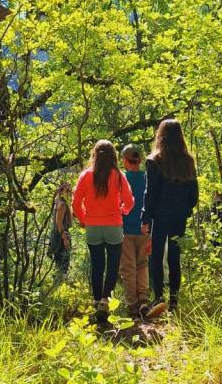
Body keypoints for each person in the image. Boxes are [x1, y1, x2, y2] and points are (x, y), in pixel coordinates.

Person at [141, 119, 199, 318]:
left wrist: (145, 217)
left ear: (160, 135)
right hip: (179, 216)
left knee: (156, 256)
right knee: (175, 257)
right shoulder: (187, 161)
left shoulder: (154, 161)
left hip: (159, 215)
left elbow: (150, 193)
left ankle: (158, 298)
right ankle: (174, 300)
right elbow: (194, 194)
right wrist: (186, 210)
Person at [72, 140, 134, 323]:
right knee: (113, 266)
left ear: (94, 155)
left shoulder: (86, 175)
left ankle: (97, 300)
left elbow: (75, 203)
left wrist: (84, 220)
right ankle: (105, 301)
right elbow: (129, 201)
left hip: (92, 227)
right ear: (113, 156)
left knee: (97, 265)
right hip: (114, 226)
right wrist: (123, 211)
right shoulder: (118, 176)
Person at [119, 144, 150, 319]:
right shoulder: (147, 178)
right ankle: (144, 300)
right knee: (143, 264)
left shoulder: (120, 178)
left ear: (124, 161)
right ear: (140, 161)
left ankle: (132, 305)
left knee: (128, 267)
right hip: (144, 229)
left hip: (124, 230)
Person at [47, 182, 72, 278]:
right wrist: (65, 238)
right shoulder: (61, 204)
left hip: (57, 234)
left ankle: (59, 282)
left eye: (70, 191)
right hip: (60, 235)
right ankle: (59, 282)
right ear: (61, 192)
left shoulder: (58, 201)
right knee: (62, 261)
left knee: (59, 261)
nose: (69, 193)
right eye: (67, 190)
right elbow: (58, 222)